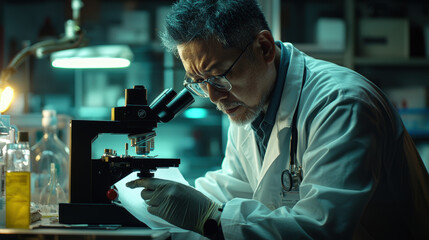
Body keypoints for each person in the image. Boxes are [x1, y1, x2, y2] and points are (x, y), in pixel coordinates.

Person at [126, 0, 429, 239]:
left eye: (218, 76)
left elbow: (321, 229)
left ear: (264, 48)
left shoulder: (341, 105)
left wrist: (209, 217)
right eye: (198, 81)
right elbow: (238, 186)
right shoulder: (250, 104)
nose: (214, 96)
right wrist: (154, 204)